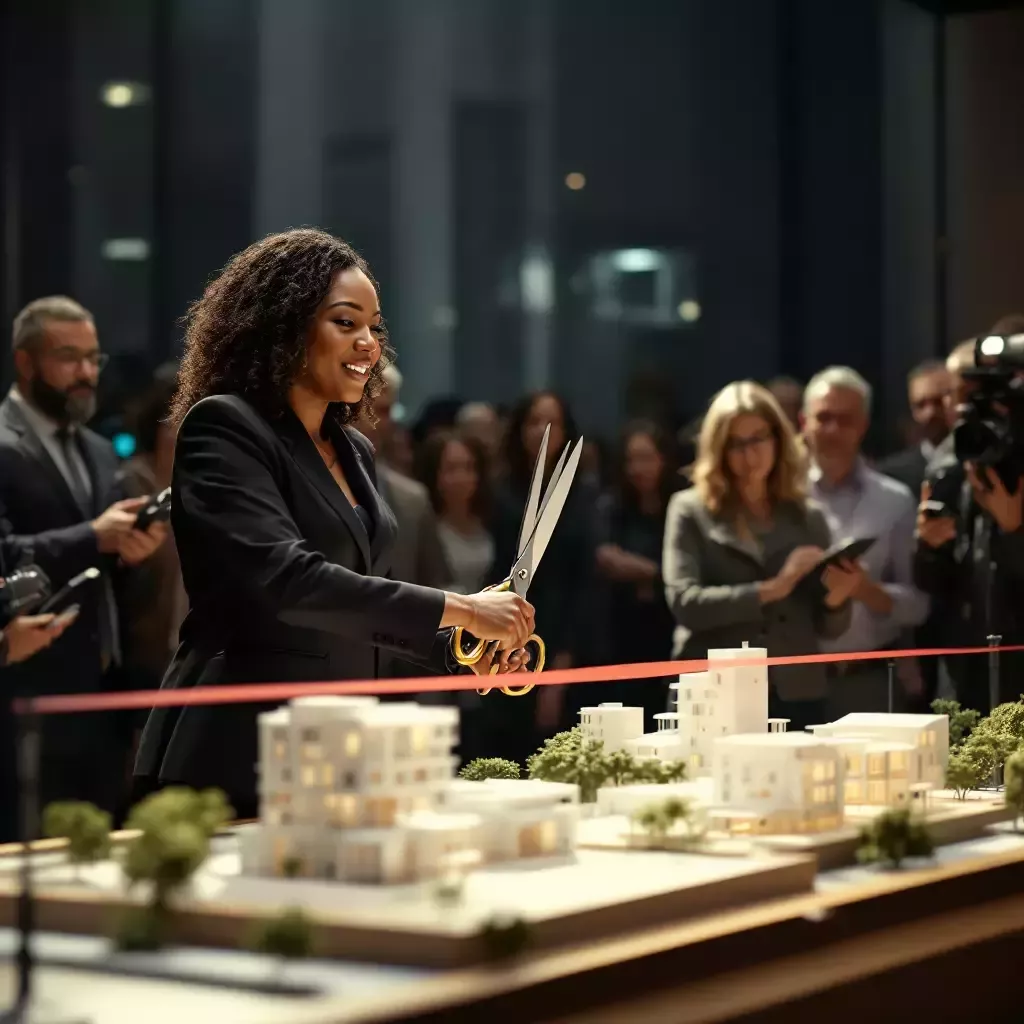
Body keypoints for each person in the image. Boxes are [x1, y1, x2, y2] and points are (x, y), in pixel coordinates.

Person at [133, 229, 534, 817]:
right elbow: (288, 582)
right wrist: (467, 607)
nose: (368, 343)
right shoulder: (224, 427)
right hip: (236, 748)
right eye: (345, 322)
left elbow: (358, 613)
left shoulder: (355, 451)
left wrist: (464, 649)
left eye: (374, 326)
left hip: (337, 753)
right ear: (285, 325)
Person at [0, 296, 168, 829]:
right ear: (25, 363)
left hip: (101, 702)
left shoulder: (99, 450)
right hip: (25, 697)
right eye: (68, 358)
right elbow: (6, 554)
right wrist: (93, 537)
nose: (86, 373)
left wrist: (133, 553)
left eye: (94, 359)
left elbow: (107, 572)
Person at [663, 381, 858, 731]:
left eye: (758, 439)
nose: (749, 455)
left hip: (796, 690)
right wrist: (774, 587)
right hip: (713, 691)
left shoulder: (806, 516)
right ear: (717, 450)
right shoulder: (690, 509)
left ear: (778, 439)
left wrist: (839, 600)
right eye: (735, 444)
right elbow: (685, 602)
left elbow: (829, 627)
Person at [802, 367, 929, 717]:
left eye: (845, 420)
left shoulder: (895, 500)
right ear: (803, 422)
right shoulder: (779, 498)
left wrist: (865, 589)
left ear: (863, 425)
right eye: (823, 417)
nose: (832, 430)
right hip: (793, 683)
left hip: (869, 682)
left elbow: (919, 603)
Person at [594, 421, 680, 723]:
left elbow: (683, 573)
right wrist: (659, 573)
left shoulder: (679, 506)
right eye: (631, 460)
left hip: (669, 633)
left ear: (664, 459)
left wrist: (648, 573)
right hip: (622, 636)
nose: (637, 468)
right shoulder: (613, 506)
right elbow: (606, 558)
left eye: (645, 458)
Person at [416, 429, 495, 594]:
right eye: (451, 469)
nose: (462, 477)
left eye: (469, 468)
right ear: (434, 475)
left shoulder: (493, 522)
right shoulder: (422, 527)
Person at [878, 360, 953, 499]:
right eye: (920, 405)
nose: (930, 413)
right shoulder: (891, 477)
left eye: (938, 401)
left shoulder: (977, 465)